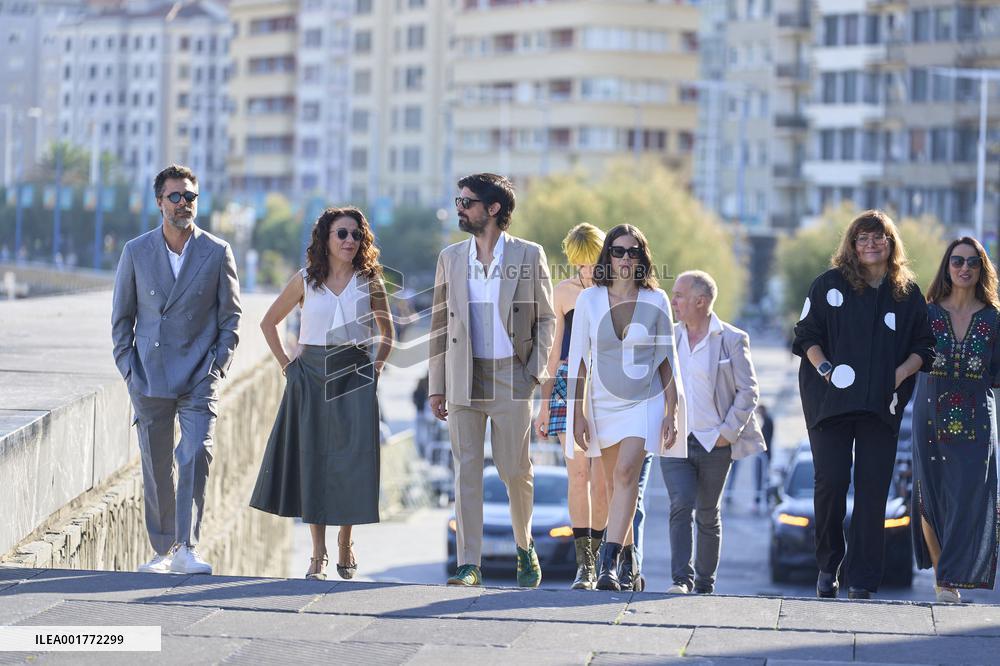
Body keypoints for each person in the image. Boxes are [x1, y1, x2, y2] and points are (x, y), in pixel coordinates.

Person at [793, 210, 935, 600]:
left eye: (879, 237)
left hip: (880, 404)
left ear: (891, 244)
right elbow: (806, 335)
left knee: (873, 491)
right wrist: (825, 369)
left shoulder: (906, 294)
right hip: (830, 401)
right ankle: (827, 567)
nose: (871, 244)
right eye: (863, 238)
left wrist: (898, 375)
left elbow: (924, 346)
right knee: (832, 481)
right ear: (852, 244)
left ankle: (863, 579)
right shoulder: (829, 285)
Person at [111, 164, 241, 575]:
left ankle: (187, 547)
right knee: (155, 463)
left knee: (195, 451)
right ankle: (163, 550)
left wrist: (216, 368)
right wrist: (130, 373)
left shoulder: (217, 252)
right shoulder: (136, 251)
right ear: (159, 202)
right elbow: (121, 319)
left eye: (190, 197)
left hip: (200, 376)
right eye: (175, 197)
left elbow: (231, 319)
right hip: (149, 375)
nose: (184, 204)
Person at [250, 207, 393, 581]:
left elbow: (388, 332)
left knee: (352, 462)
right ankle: (318, 555)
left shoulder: (370, 281)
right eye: (342, 234)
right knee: (314, 462)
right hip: (310, 375)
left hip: (355, 375)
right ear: (326, 239)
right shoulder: (305, 280)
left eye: (356, 235)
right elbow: (268, 323)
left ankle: (346, 540)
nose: (349, 241)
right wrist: (287, 366)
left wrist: (373, 371)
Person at [429, 173, 556, 587]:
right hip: (464, 374)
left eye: (467, 201)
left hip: (511, 375)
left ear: (494, 209)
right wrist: (437, 384)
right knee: (466, 469)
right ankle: (469, 564)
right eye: (459, 200)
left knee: (514, 470)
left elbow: (547, 318)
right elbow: (437, 325)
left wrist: (534, 373)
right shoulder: (450, 257)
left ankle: (524, 546)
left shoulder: (529, 255)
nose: (460, 208)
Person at [566, 224, 686, 591]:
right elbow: (579, 360)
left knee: (626, 473)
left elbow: (667, 360)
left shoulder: (656, 301)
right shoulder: (589, 300)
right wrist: (577, 411)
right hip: (602, 402)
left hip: (643, 401)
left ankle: (608, 564)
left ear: (642, 258)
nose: (625, 258)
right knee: (612, 486)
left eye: (633, 252)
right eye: (618, 251)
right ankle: (630, 564)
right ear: (607, 255)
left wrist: (672, 410)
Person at [663, 270, 765, 595]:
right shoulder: (668, 337)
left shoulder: (732, 338)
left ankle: (704, 584)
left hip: (715, 443)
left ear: (700, 301)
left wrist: (728, 432)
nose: (673, 301)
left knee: (707, 513)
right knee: (680, 503)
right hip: (676, 440)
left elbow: (748, 391)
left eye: (679, 295)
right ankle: (681, 579)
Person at [912, 237, 1000, 603]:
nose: (964, 268)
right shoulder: (927, 313)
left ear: (981, 269)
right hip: (931, 411)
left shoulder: (994, 319)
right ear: (947, 267)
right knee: (930, 493)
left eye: (972, 262)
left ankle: (953, 572)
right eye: (957, 261)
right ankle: (943, 579)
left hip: (978, 414)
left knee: (970, 493)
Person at [534, 223, 609, 590]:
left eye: (593, 261)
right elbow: (552, 352)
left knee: (603, 479)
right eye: (581, 262)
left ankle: (611, 558)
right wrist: (544, 405)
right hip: (567, 383)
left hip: (609, 382)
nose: (588, 269)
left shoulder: (617, 290)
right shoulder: (563, 293)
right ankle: (586, 565)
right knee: (578, 476)